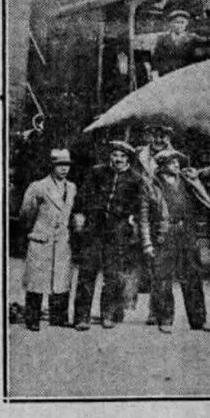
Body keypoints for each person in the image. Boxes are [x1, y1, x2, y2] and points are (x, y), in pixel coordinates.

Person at [139, 149, 210, 334]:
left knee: (193, 277)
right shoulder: (151, 185)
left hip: (187, 234)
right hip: (164, 235)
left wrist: (196, 181)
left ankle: (199, 320)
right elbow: (143, 218)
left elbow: (205, 202)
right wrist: (147, 243)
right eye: (173, 163)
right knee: (163, 279)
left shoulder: (186, 182)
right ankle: (165, 319)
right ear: (163, 165)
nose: (177, 166)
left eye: (178, 162)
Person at [72, 141, 142, 330]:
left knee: (113, 276)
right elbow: (82, 196)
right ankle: (81, 317)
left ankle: (108, 315)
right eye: (115, 155)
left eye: (122, 156)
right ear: (110, 156)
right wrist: (80, 215)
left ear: (128, 159)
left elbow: (139, 206)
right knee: (87, 272)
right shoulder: (97, 172)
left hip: (118, 232)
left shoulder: (135, 179)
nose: (118, 159)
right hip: (94, 230)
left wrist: (132, 221)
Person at [18, 149, 79, 331]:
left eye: (66, 165)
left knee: (60, 279)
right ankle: (32, 318)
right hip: (41, 238)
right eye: (59, 165)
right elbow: (26, 214)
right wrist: (35, 231)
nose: (63, 169)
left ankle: (58, 317)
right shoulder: (38, 186)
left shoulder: (72, 188)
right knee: (37, 280)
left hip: (61, 239)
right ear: (52, 166)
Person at [133, 124, 175, 325]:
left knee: (159, 266)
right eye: (155, 135)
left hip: (161, 214)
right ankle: (120, 308)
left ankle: (155, 311)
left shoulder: (174, 157)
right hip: (140, 210)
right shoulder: (138, 155)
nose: (158, 140)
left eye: (163, 136)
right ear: (148, 135)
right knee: (133, 261)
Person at [151, 10, 210, 77]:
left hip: (187, 74)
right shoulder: (162, 39)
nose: (179, 25)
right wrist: (164, 69)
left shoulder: (192, 37)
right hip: (168, 75)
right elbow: (156, 59)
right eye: (176, 22)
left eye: (182, 22)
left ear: (186, 24)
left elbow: (207, 44)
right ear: (171, 24)